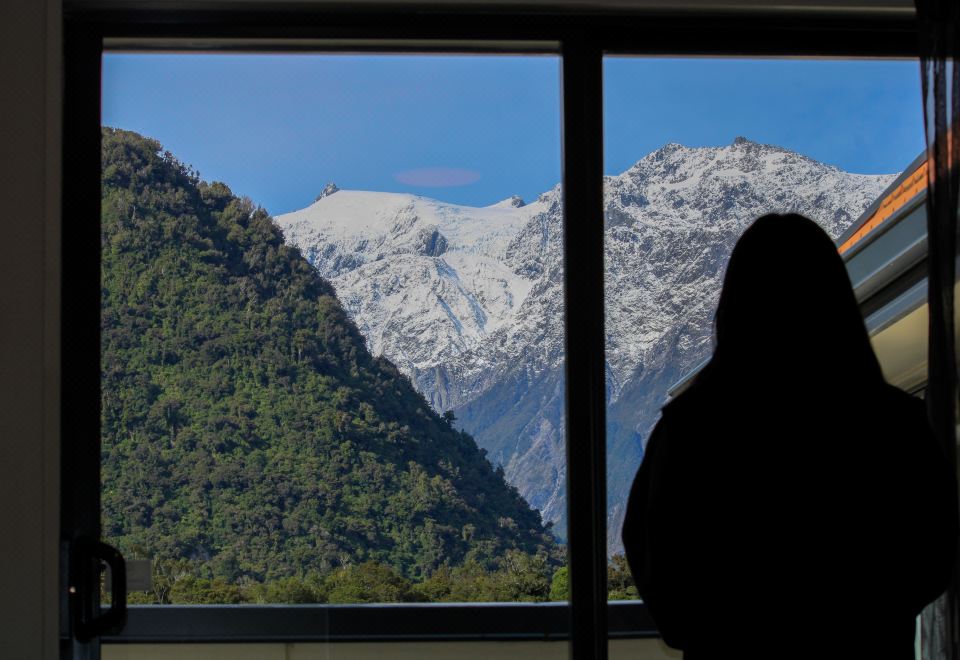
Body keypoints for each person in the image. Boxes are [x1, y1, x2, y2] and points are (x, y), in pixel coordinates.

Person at [621, 213, 958, 659]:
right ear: (836, 301)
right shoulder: (894, 424)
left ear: (735, 307)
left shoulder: (690, 429)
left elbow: (657, 563)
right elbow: (934, 554)